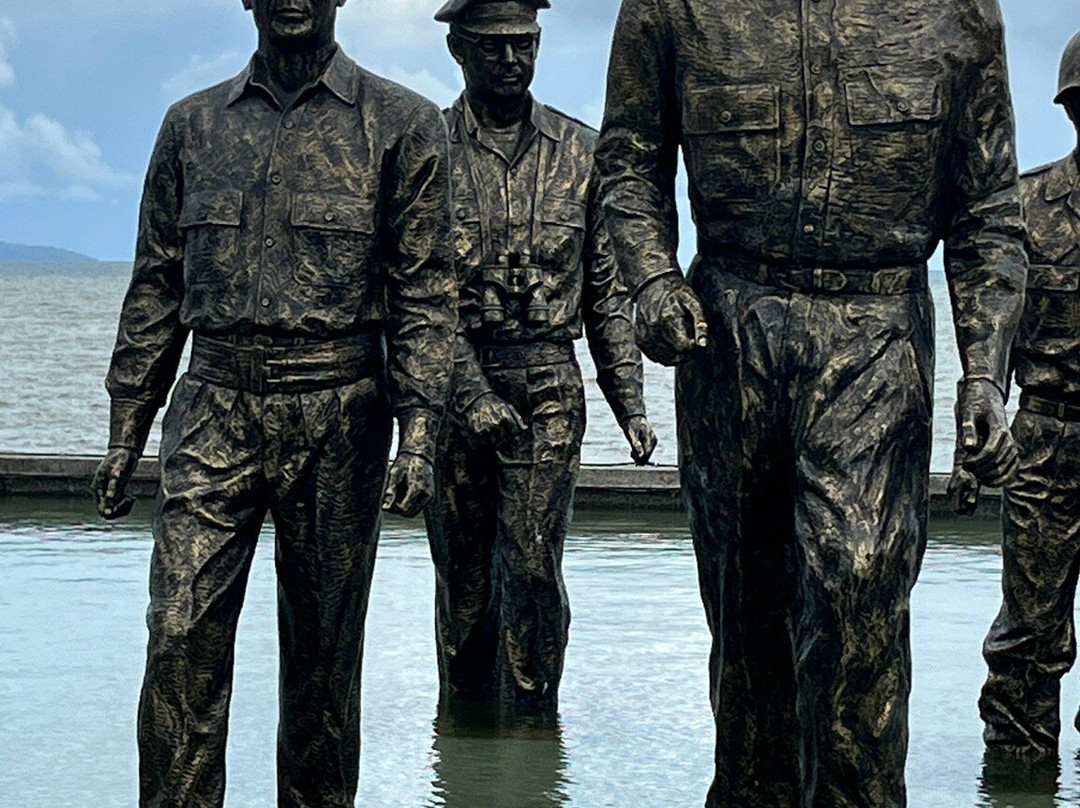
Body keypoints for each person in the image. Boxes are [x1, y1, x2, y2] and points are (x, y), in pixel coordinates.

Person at [596, 1, 1027, 805]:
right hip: (730, 335)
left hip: (878, 335)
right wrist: (651, 279)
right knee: (746, 626)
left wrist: (983, 376)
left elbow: (988, 215)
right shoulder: (673, 6)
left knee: (859, 598)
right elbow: (628, 165)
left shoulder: (957, 12)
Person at [90, 0, 456, 804]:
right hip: (213, 405)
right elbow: (155, 286)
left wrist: (420, 433)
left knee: (323, 663)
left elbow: (426, 294)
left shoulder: (403, 123)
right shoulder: (192, 126)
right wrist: (126, 429)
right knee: (179, 635)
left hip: (339, 411)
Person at [426, 0, 656, 730]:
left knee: (530, 564)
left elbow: (607, 295)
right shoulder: (425, 149)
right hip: (451, 381)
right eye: (492, 46)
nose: (510, 59)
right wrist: (465, 396)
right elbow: (414, 297)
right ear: (459, 50)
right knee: (463, 577)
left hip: (547, 381)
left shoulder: (581, 152)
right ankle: (464, 733)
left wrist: (631, 404)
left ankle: (532, 726)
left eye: (523, 44)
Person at [973, 30, 1080, 760]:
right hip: (1046, 442)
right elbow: (995, 333)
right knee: (1028, 638)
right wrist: (972, 448)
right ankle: (1015, 787)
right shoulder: (1030, 206)